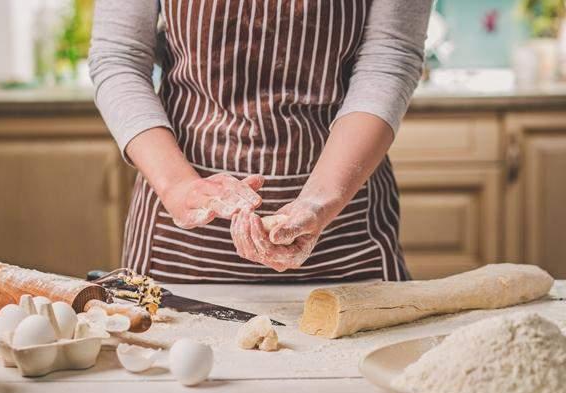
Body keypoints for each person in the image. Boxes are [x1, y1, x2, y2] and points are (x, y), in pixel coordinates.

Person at [89, 0, 432, 283]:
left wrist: (321, 201)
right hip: (181, 240)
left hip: (345, 232)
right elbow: (119, 57)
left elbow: (390, 57)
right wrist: (178, 186)